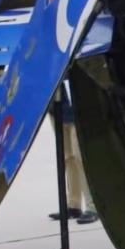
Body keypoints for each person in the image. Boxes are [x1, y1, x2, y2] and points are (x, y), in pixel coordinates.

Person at [47, 82, 97, 225]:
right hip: (56, 107)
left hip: (77, 108)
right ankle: (73, 205)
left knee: (80, 156)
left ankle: (93, 205)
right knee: (67, 157)